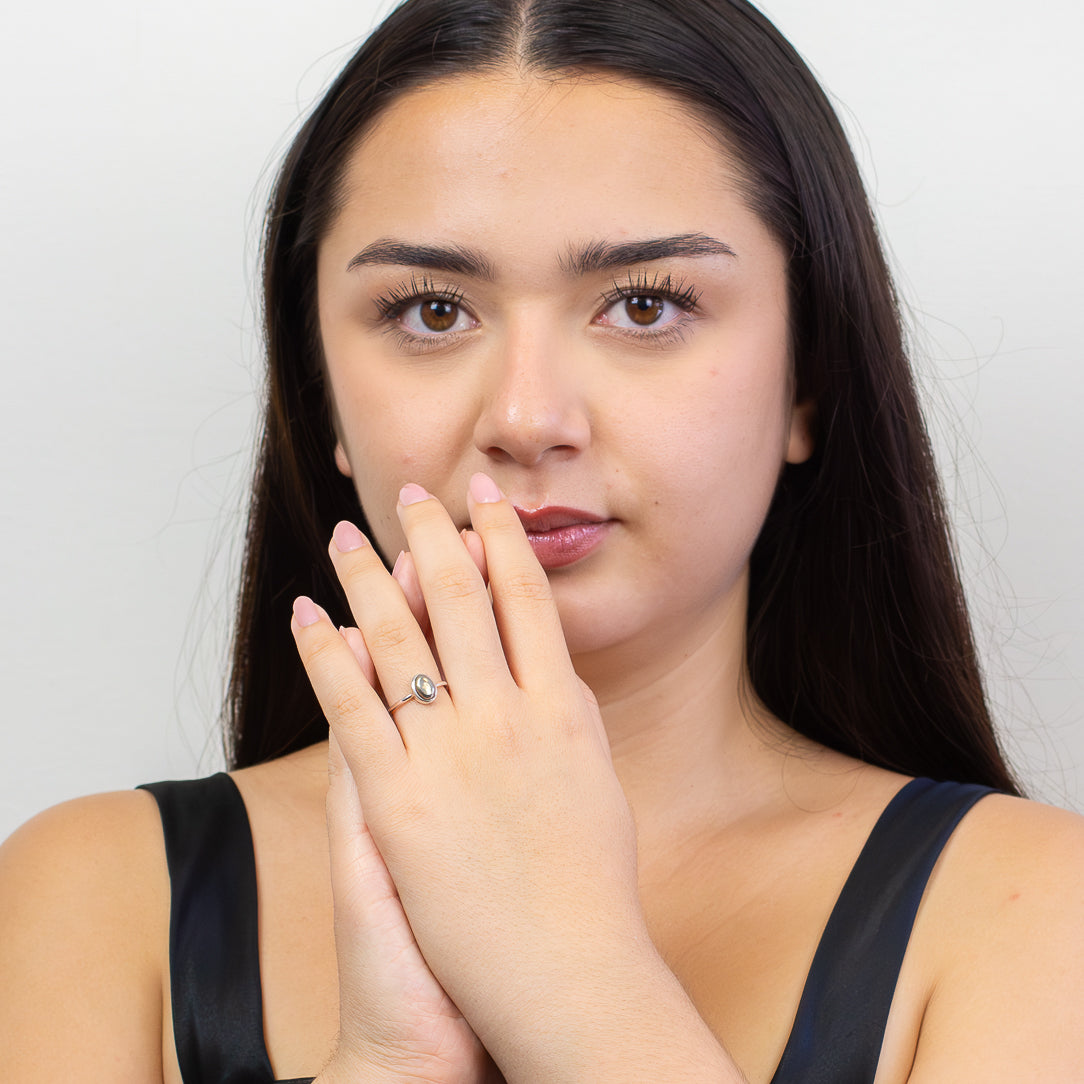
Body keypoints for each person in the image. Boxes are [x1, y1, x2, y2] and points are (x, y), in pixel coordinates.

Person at [1, 0, 1082, 1080]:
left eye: (648, 305)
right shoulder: (100, 896)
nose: (525, 418)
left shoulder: (1029, 912)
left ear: (809, 377)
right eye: (431, 311)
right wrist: (396, 1058)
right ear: (322, 397)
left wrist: (569, 972)